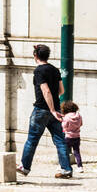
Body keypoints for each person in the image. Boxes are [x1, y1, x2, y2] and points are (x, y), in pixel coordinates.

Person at [16, 43, 73, 178]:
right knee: (60, 140)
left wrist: (51, 109)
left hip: (41, 109)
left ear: (35, 56)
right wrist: (54, 109)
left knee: (32, 139)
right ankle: (66, 169)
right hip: (56, 110)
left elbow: (45, 90)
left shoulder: (39, 71)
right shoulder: (54, 70)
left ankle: (25, 167)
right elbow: (61, 90)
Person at [61, 100, 83, 170]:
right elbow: (81, 124)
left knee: (65, 152)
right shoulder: (79, 115)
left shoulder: (66, 117)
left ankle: (65, 166)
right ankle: (80, 167)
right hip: (77, 136)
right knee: (77, 152)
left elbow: (64, 126)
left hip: (68, 137)